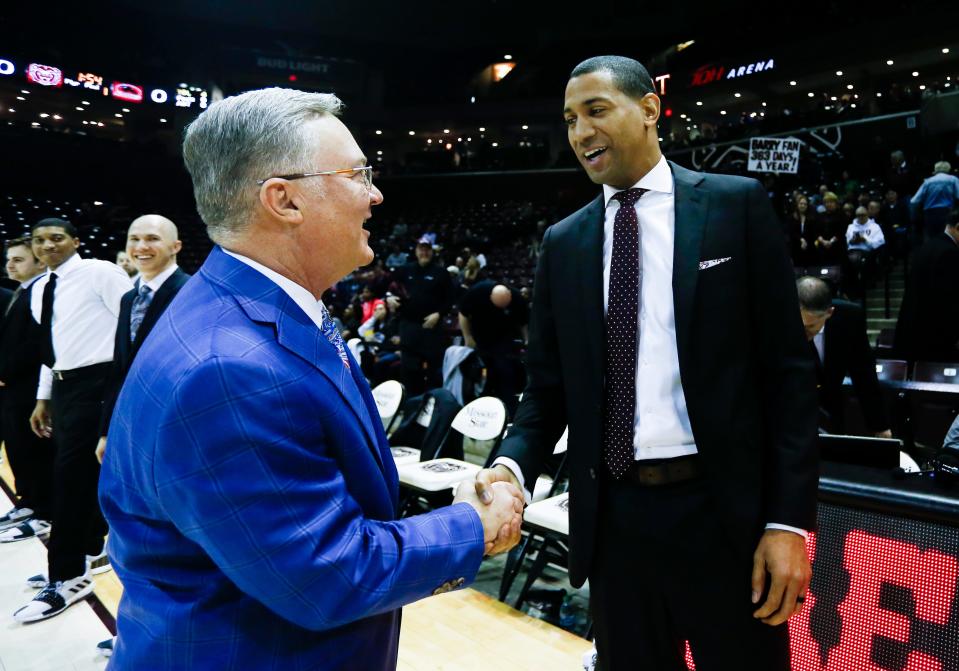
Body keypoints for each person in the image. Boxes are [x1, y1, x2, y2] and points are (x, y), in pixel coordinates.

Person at [98, 87, 523, 670]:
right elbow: (327, 574)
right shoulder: (229, 369)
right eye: (358, 174)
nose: (375, 194)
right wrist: (473, 526)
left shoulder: (252, 308)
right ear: (285, 200)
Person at [474, 56, 817, 670]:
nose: (579, 133)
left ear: (651, 111)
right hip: (616, 523)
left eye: (596, 111)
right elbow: (547, 390)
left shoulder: (735, 207)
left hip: (723, 518)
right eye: (570, 120)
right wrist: (509, 466)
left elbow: (788, 377)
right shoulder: (564, 242)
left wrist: (788, 523)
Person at [14, 218, 133, 623]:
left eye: (56, 238)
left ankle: (66, 575)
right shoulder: (40, 290)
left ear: (76, 241)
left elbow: (132, 324)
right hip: (65, 387)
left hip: (98, 382)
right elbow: (54, 349)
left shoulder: (98, 271)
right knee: (78, 476)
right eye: (39, 240)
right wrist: (43, 398)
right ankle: (85, 551)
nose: (47, 245)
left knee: (67, 478)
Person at [96, 215, 190, 463]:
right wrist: (107, 431)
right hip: (130, 422)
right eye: (134, 239)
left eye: (152, 239)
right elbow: (119, 368)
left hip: (172, 422)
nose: (141, 247)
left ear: (175, 247)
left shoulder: (191, 293)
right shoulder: (129, 298)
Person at [0, 237, 52, 543]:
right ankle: (27, 503)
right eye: (9, 259)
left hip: (29, 386)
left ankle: (42, 512)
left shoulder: (41, 293)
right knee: (18, 448)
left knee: (34, 451)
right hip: (15, 386)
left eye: (18, 259)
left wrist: (6, 371)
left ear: (39, 262)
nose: (10, 264)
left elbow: (36, 346)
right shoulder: (22, 292)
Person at [796, 276, 891, 437]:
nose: (804, 332)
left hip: (831, 410)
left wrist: (880, 426)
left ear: (829, 313)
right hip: (794, 410)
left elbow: (864, 374)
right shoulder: (781, 318)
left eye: (811, 326)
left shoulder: (850, 318)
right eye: (800, 324)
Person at [894, 209, 959, 363]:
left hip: (912, 330)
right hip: (933, 336)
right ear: (957, 227)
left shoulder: (927, 246)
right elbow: (948, 302)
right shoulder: (950, 253)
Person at [393, 234, 454, 393]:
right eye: (421, 249)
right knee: (409, 372)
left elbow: (451, 299)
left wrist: (439, 314)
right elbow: (389, 288)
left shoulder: (442, 273)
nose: (424, 252)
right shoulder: (405, 270)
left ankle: (432, 406)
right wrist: (389, 298)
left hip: (431, 329)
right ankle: (410, 405)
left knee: (434, 371)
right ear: (416, 251)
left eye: (427, 249)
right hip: (409, 327)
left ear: (432, 251)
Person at [458, 281, 529, 413]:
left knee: (505, 372)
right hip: (480, 336)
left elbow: (523, 322)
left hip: (503, 338)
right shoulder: (477, 292)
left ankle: (508, 409)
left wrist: (526, 339)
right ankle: (480, 405)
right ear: (490, 297)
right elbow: (463, 314)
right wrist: (468, 337)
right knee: (483, 374)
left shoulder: (517, 298)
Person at [910, 161, 959, 241]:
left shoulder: (928, 181)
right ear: (948, 169)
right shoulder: (953, 179)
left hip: (930, 214)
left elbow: (914, 201)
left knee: (932, 239)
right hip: (947, 213)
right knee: (947, 238)